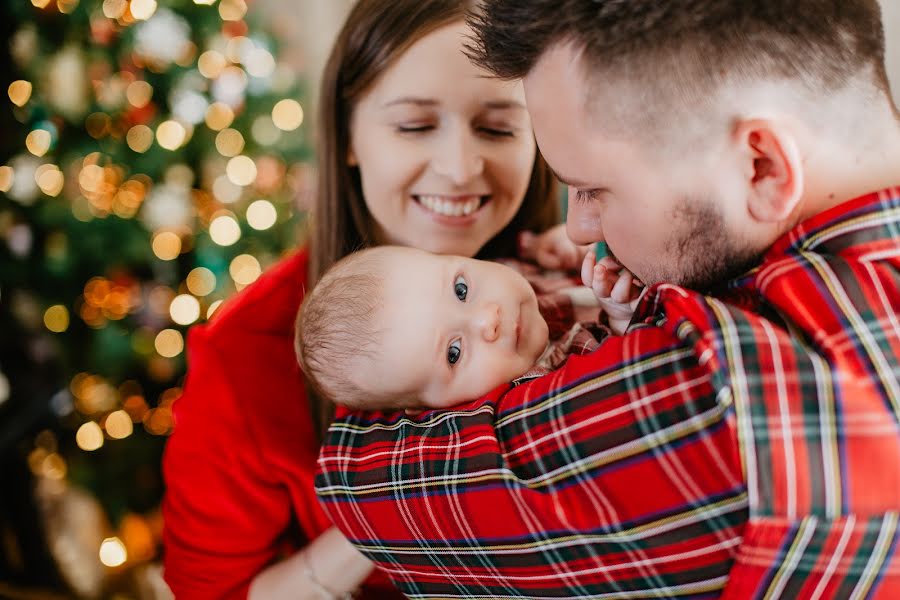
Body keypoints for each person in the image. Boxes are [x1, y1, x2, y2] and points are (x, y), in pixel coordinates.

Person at [315, 1, 900, 598]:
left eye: (593, 189)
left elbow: (358, 484)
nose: (577, 229)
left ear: (762, 167)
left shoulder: (728, 397)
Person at [160, 0, 573, 597]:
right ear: (348, 133)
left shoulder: (579, 264)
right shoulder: (246, 359)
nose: (460, 169)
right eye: (414, 125)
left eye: (499, 127)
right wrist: (391, 502)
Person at [295, 245, 635, 412]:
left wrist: (565, 249)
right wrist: (620, 317)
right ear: (435, 407)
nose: (488, 320)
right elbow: (623, 369)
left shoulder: (518, 268)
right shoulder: (539, 392)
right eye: (453, 353)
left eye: (461, 290)